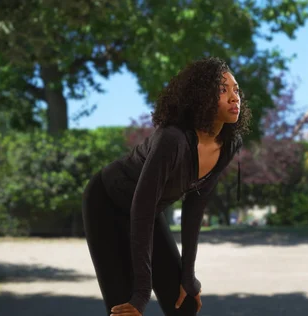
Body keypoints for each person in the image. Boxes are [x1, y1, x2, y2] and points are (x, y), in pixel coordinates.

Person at [81, 57, 251, 316]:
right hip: (105, 203)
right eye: (222, 89)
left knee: (186, 304)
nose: (234, 97)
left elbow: (194, 208)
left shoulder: (228, 144)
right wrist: (141, 293)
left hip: (146, 209)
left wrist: (188, 277)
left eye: (236, 89)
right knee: (125, 310)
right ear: (201, 97)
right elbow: (142, 209)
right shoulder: (172, 139)